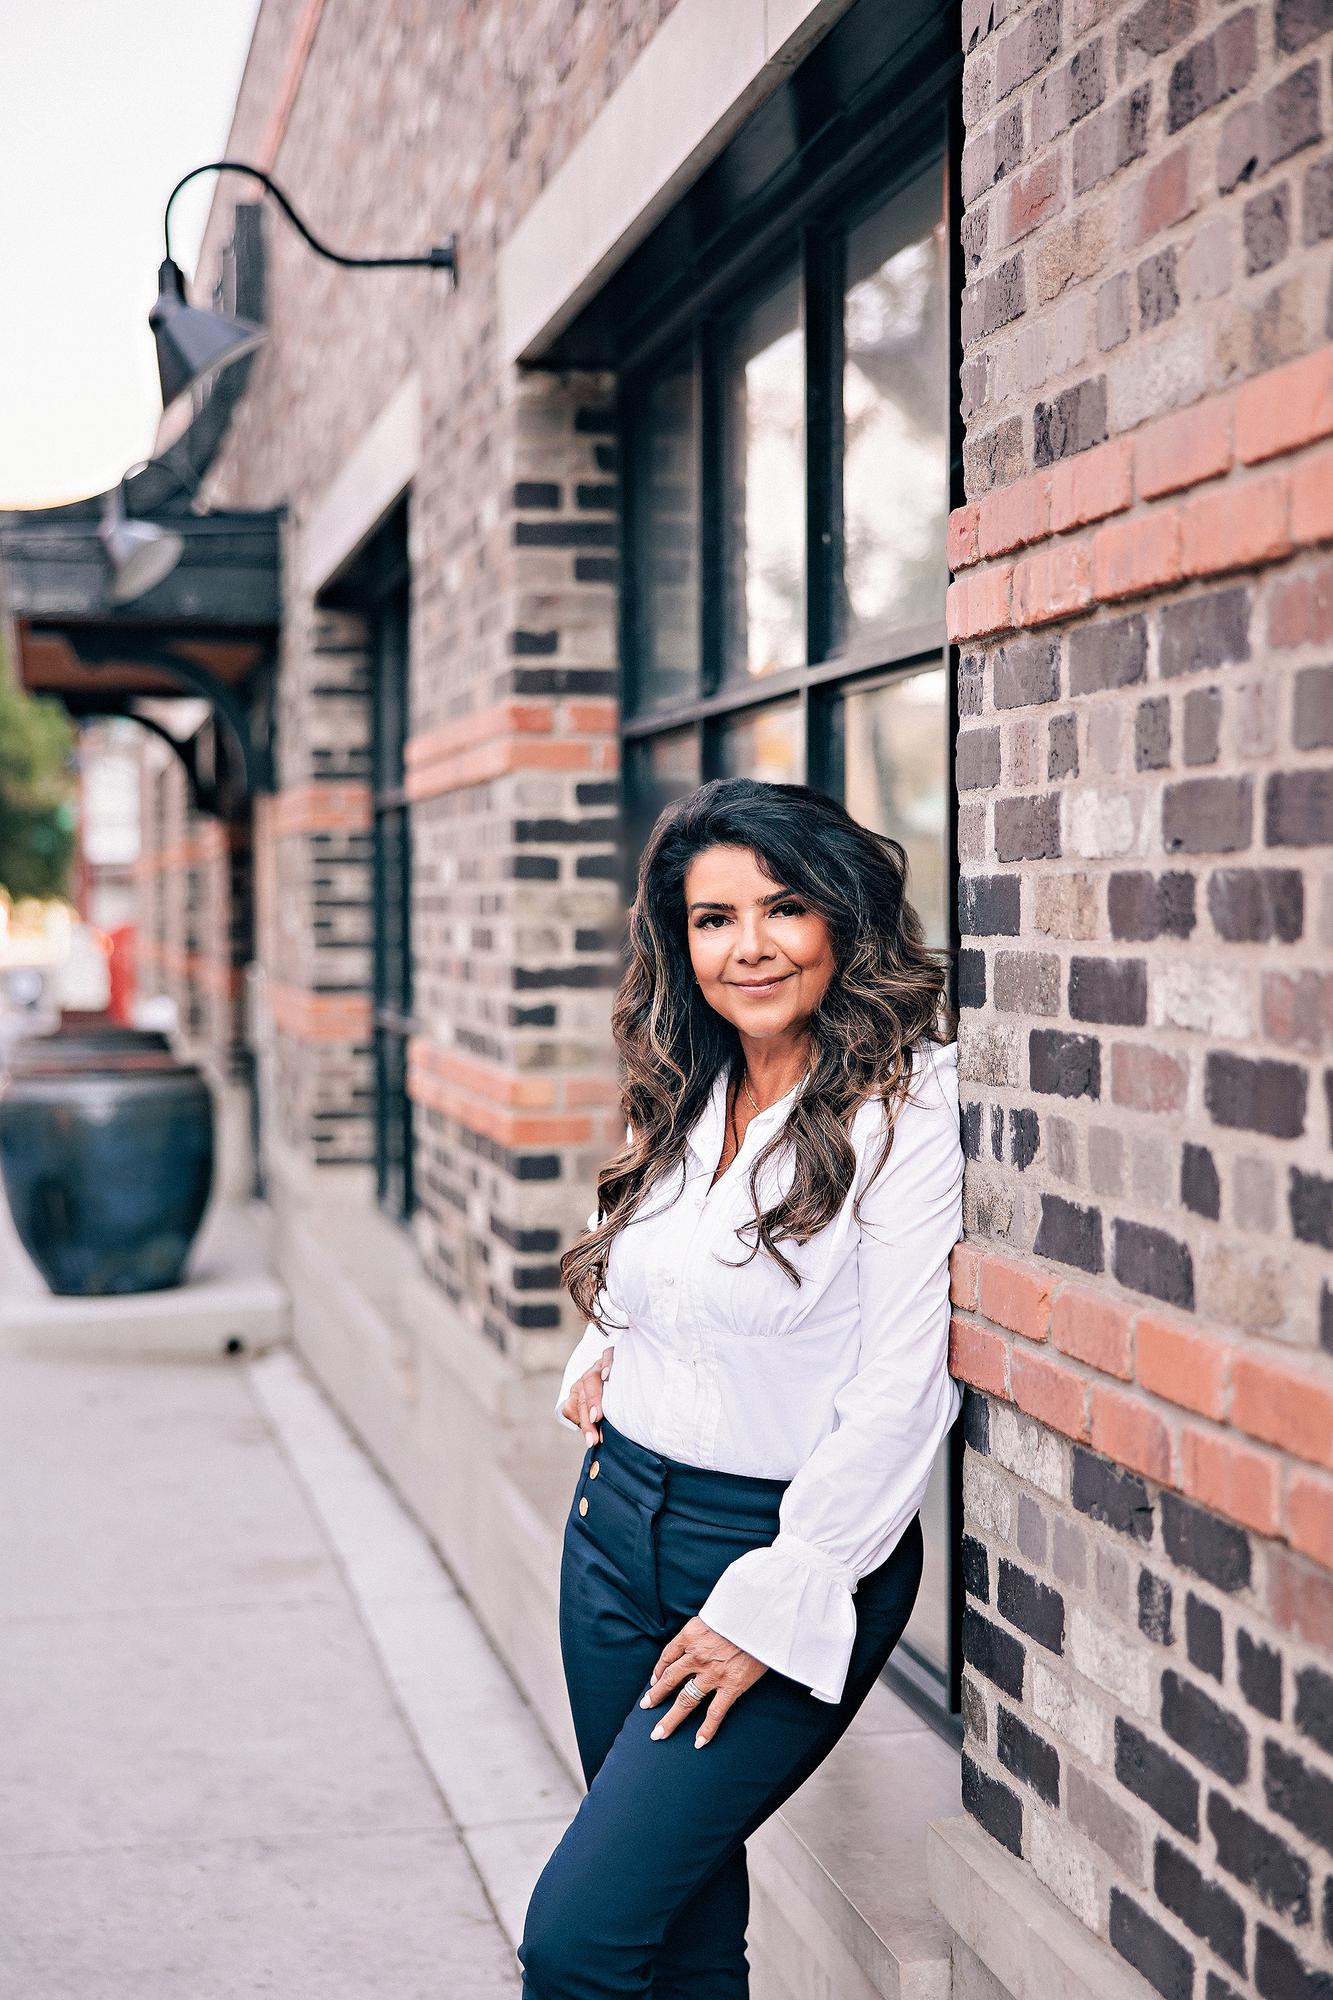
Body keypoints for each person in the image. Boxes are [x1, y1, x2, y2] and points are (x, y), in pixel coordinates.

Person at [518, 776, 965, 2000]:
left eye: (782, 907)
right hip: (613, 1528)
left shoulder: (908, 1108)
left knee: (579, 1940)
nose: (748, 946)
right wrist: (606, 1347)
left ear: (842, 917)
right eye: (712, 919)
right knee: (679, 1933)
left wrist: (775, 1593)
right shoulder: (691, 1076)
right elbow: (653, 1255)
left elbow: (901, 1388)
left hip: (780, 1550)